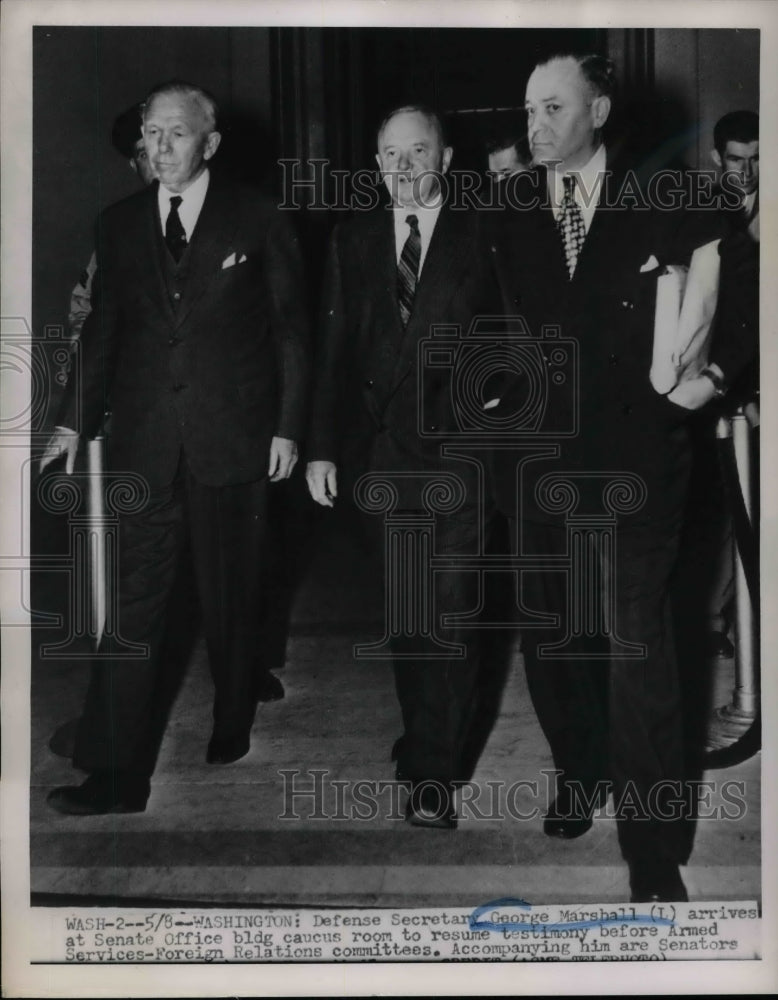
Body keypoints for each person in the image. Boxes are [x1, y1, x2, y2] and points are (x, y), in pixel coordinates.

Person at [488, 53, 751, 902]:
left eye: (554, 109)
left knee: (639, 646)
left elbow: (745, 299)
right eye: (530, 110)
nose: (536, 126)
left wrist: (711, 381)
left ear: (598, 112)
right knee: (554, 637)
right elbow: (483, 315)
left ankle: (654, 844)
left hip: (637, 462)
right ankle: (579, 769)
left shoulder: (669, 196)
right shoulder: (509, 207)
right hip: (537, 462)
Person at [41, 80, 309, 815]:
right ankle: (117, 775)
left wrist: (289, 428)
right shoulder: (119, 224)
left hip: (236, 441)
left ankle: (233, 713)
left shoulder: (259, 217)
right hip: (148, 444)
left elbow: (291, 332)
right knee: (132, 609)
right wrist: (72, 420)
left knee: (233, 595)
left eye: (177, 133)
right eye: (151, 134)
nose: (160, 148)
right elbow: (103, 330)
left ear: (210, 143)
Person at [306, 105, 499, 829]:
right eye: (391, 154)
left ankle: (434, 772)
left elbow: (520, 336)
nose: (405, 167)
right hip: (382, 459)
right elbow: (332, 351)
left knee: (449, 616)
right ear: (377, 163)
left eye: (420, 151)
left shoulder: (483, 233)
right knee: (410, 617)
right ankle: (426, 731)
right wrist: (321, 447)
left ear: (446, 160)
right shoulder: (352, 238)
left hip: (460, 459)